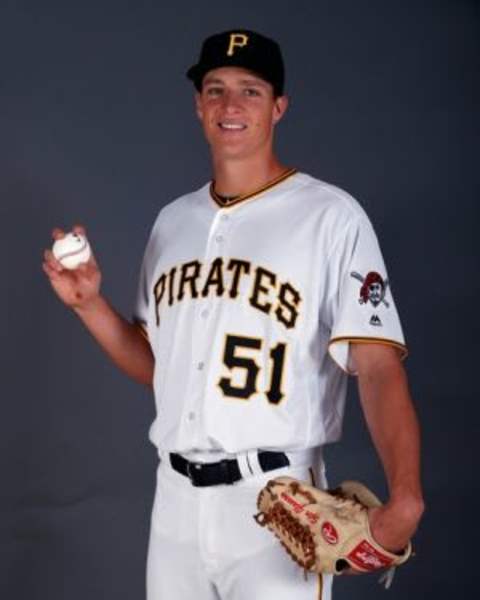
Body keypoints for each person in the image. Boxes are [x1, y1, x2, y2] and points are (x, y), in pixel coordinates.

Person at [43, 29, 424, 600]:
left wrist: (407, 493)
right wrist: (89, 305)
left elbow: (376, 365)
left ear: (279, 107)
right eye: (215, 89)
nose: (230, 105)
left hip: (278, 502)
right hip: (173, 502)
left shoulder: (331, 217)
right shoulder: (172, 223)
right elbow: (159, 367)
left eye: (250, 90)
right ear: (199, 105)